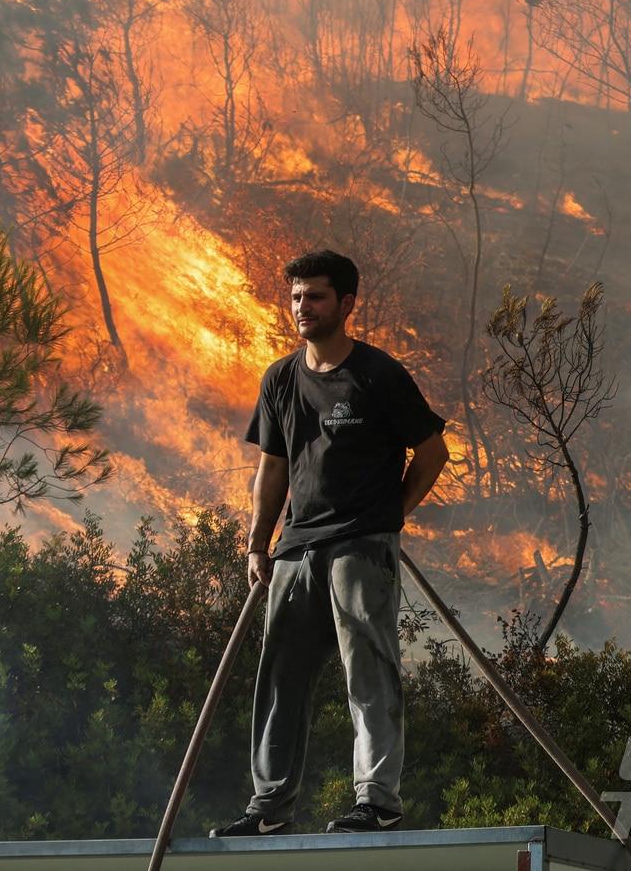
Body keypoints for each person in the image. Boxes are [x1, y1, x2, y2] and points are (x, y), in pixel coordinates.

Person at [209, 249, 449, 837]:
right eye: (295, 297)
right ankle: (269, 808)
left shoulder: (378, 374)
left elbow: (433, 452)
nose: (302, 307)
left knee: (367, 668)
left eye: (314, 296)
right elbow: (272, 467)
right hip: (295, 548)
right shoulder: (281, 379)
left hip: (360, 547)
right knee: (280, 674)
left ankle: (378, 801)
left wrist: (388, 517)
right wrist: (256, 544)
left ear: (346, 303)